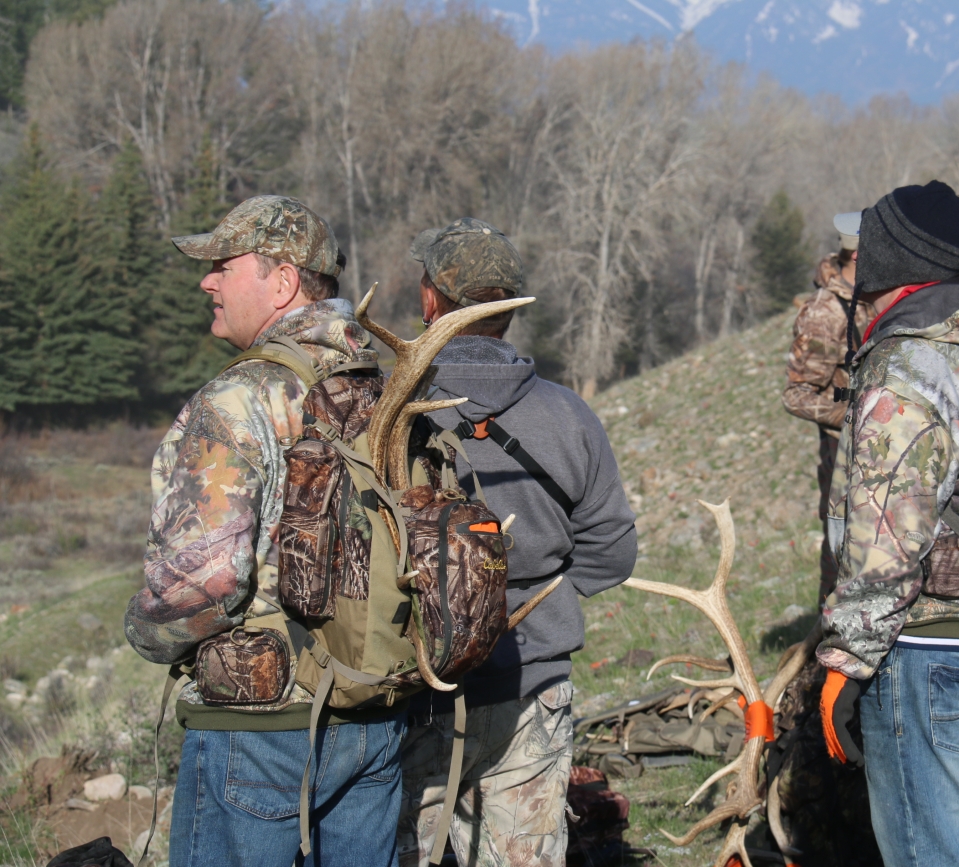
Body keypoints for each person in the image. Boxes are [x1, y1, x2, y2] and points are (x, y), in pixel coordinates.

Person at [123, 196, 409, 866]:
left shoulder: (239, 398)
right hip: (374, 716)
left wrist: (144, 630)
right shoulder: (383, 390)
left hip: (260, 732)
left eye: (224, 266)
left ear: (282, 282)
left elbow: (203, 586)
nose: (208, 281)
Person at [396, 219, 638, 866]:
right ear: (510, 309)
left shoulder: (389, 411)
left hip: (416, 685)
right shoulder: (568, 414)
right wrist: (541, 594)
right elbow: (613, 551)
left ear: (431, 299)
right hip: (533, 682)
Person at [818, 181, 959, 867]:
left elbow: (887, 539)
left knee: (930, 852)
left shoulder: (905, 369)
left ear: (891, 260)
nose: (857, 262)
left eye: (868, 246)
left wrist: (847, 664)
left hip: (921, 649)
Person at [782, 213, 871, 604]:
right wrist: (850, 415)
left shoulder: (874, 297)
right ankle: (828, 632)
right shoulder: (826, 311)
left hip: (878, 444)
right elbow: (797, 394)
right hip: (843, 451)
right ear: (860, 254)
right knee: (842, 551)